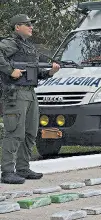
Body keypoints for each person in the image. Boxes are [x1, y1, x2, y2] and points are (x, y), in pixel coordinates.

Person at [0, 14, 60, 184]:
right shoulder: (10, 43)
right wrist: (10, 71)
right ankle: (7, 171)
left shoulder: (29, 48)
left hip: (30, 93)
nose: (31, 27)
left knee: (30, 132)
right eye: (27, 25)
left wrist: (50, 72)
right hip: (15, 93)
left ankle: (23, 168)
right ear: (17, 27)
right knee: (14, 132)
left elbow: (35, 72)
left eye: (31, 24)